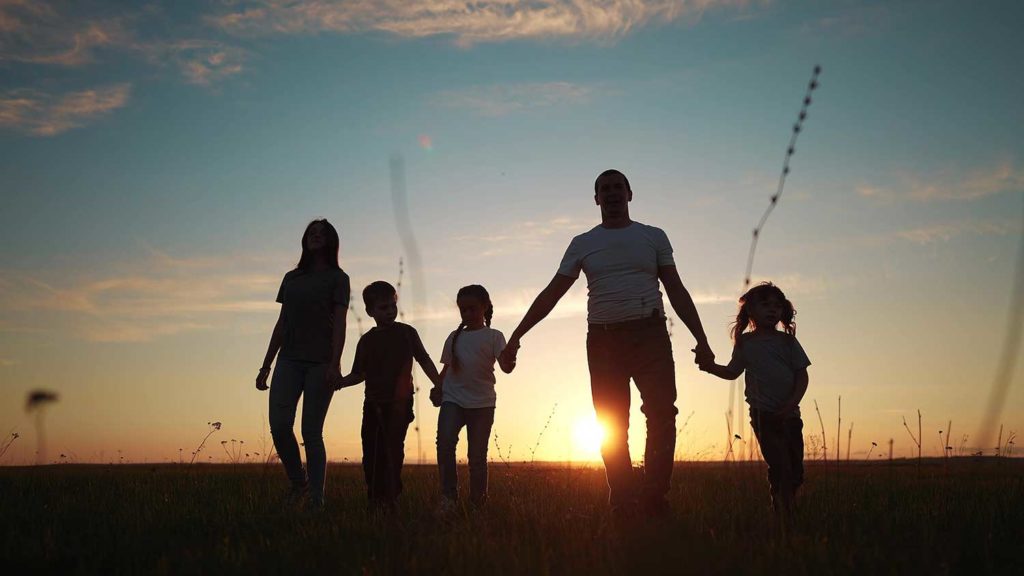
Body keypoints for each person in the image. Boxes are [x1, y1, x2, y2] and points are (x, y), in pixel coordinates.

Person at [499, 169, 714, 519]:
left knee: (661, 414)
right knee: (611, 422)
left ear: (630, 194)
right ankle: (624, 500)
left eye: (618, 187)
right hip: (603, 340)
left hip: (651, 337)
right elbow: (552, 293)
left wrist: (701, 339)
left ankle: (654, 497)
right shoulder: (583, 243)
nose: (612, 193)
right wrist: (517, 335)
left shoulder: (653, 236)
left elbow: (676, 289)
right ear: (596, 198)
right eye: (604, 189)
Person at [256, 219, 349, 511]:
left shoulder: (338, 278)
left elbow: (340, 325)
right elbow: (282, 323)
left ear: (330, 241)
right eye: (311, 233)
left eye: (321, 234)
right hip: (289, 360)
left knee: (311, 432)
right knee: (280, 426)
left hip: (321, 363)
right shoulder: (292, 278)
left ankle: (316, 501)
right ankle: (299, 482)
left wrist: (335, 363)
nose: (315, 237)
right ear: (304, 240)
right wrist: (266, 365)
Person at [700, 282, 810, 518]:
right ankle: (782, 511)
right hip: (764, 414)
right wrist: (710, 367)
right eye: (765, 305)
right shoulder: (746, 344)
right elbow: (732, 372)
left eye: (777, 306)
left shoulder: (788, 342)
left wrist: (791, 404)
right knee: (780, 465)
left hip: (790, 415)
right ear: (750, 310)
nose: (772, 310)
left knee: (796, 470)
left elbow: (802, 375)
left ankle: (787, 504)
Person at [337, 281, 442, 512]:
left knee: (392, 451)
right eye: (383, 307)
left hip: (400, 404)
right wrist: (341, 382)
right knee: (372, 454)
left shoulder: (407, 333)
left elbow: (424, 359)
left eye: (393, 306)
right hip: (373, 404)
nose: (390, 311)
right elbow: (359, 374)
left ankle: (391, 499)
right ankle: (375, 499)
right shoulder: (366, 341)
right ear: (370, 311)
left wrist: (440, 384)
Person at [430, 285, 513, 509]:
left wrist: (511, 356)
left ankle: (478, 503)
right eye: (462, 310)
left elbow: (506, 367)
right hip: (452, 399)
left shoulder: (494, 337)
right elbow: (446, 369)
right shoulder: (453, 338)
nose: (467, 314)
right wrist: (437, 388)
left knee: (476, 456)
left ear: (485, 307)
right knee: (445, 443)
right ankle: (448, 497)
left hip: (482, 404)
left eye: (472, 309)